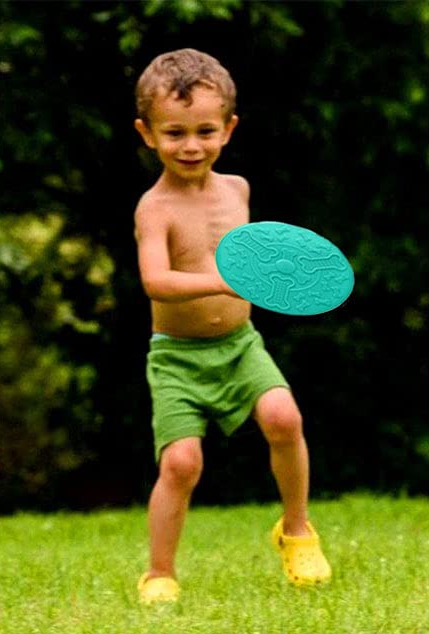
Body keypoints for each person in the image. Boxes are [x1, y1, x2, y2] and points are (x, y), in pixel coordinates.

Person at [132, 48, 330, 603]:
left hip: (241, 345)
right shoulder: (155, 208)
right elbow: (156, 281)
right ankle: (160, 573)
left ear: (229, 129)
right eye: (174, 133)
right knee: (181, 462)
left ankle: (297, 531)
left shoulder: (237, 190)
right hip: (177, 355)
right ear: (147, 134)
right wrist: (222, 282)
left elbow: (259, 259)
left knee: (283, 416)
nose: (190, 145)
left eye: (204, 131)